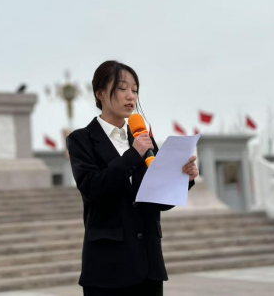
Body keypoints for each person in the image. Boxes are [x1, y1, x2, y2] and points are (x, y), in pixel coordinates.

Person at [67, 60, 199, 296]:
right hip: (107, 269)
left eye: (135, 90)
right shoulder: (82, 139)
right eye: (122, 88)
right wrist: (133, 155)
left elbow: (158, 201)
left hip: (149, 266)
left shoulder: (142, 138)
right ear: (100, 93)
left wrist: (184, 178)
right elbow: (92, 188)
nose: (131, 96)